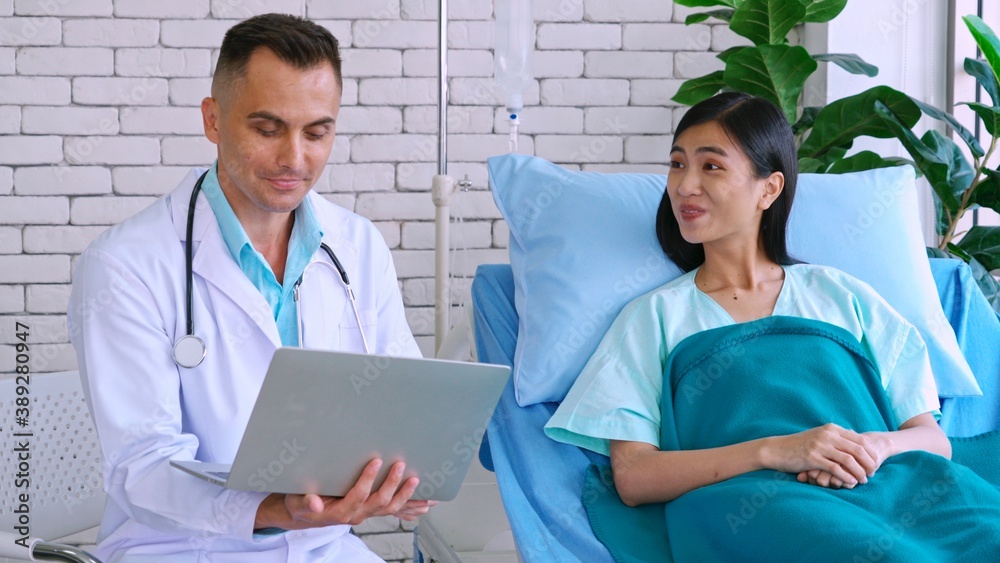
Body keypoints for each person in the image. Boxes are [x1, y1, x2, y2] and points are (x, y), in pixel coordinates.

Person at [544, 92, 1000, 559]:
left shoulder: (843, 295)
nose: (684, 186)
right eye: (678, 165)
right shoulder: (655, 317)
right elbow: (635, 477)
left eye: (711, 167)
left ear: (769, 189)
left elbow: (932, 440)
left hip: (889, 484)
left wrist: (860, 450)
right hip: (759, 505)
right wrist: (777, 451)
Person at [68, 14, 432, 561]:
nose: (294, 159)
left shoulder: (358, 245)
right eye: (267, 129)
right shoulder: (125, 266)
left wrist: (402, 480)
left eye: (317, 132)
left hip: (323, 545)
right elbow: (141, 468)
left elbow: (406, 405)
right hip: (180, 547)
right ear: (213, 120)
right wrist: (273, 509)